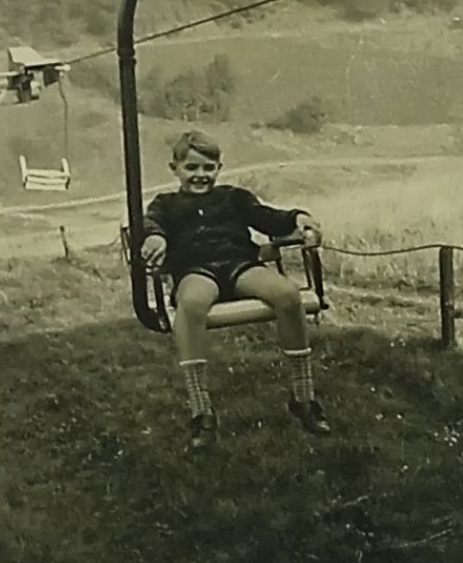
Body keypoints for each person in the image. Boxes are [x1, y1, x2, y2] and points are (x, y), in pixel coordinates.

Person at [141, 129, 331, 451]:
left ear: (218, 168)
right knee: (192, 303)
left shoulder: (232, 198)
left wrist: (299, 218)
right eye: (191, 169)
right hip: (196, 270)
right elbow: (151, 224)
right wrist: (155, 238)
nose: (200, 176)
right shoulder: (166, 204)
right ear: (175, 169)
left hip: (239, 266)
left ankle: (303, 397)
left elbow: (270, 218)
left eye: (207, 168)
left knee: (287, 295)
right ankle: (202, 411)